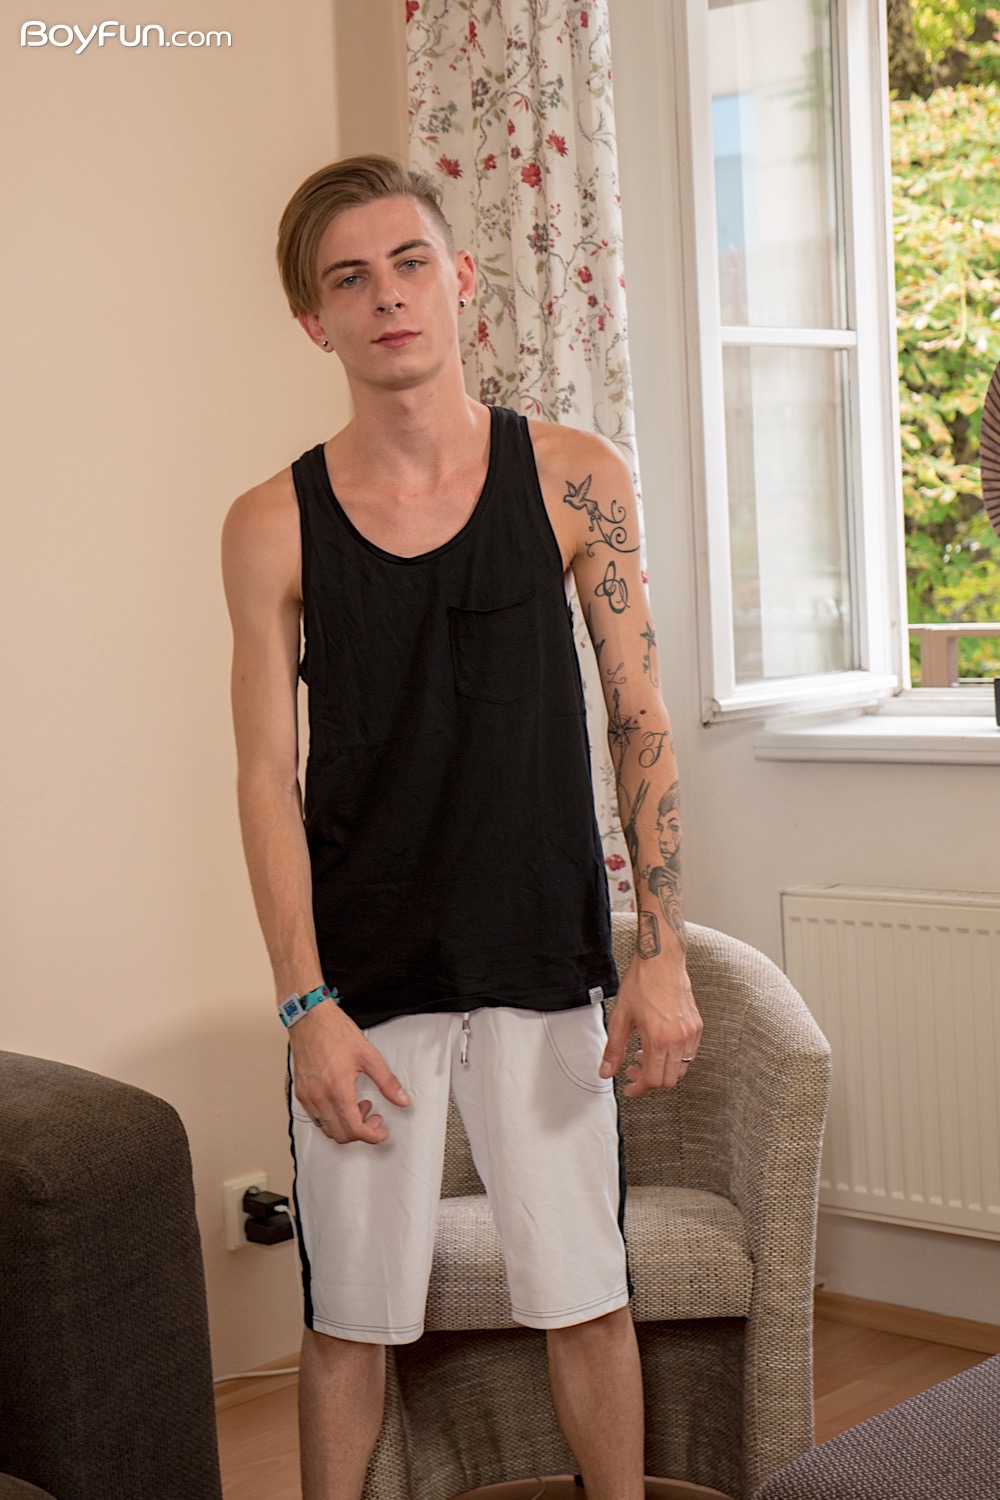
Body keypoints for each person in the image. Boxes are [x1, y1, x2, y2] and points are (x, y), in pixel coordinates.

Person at [220, 154, 702, 1500]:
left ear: (462, 279)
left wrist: (660, 952)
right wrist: (303, 1006)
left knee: (585, 1295)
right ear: (315, 321)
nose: (387, 296)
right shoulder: (269, 525)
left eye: (410, 262)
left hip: (543, 956)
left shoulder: (575, 477)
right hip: (363, 983)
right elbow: (263, 778)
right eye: (350, 279)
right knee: (348, 1317)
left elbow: (641, 718)